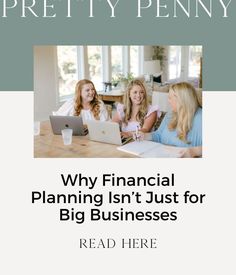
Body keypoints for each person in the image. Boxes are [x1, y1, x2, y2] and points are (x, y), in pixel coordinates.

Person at [147, 82, 202, 157]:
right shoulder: (170, 114)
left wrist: (193, 152)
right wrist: (144, 136)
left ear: (181, 99)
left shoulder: (201, 118)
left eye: (170, 98)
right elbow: (158, 135)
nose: (168, 101)